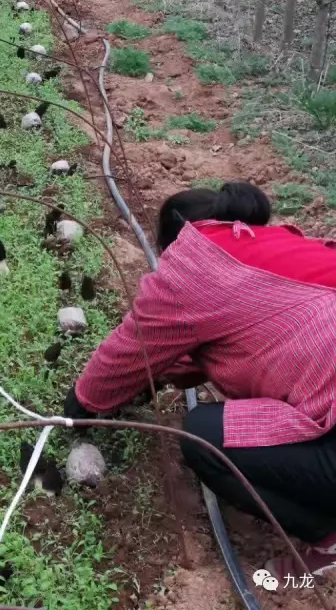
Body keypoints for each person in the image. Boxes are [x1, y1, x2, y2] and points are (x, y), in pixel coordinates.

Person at [64, 181, 336, 581]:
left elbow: (126, 354)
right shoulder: (273, 245)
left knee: (207, 437)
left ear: (174, 240)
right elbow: (267, 332)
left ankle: (328, 540)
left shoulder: (195, 267)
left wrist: (80, 407)